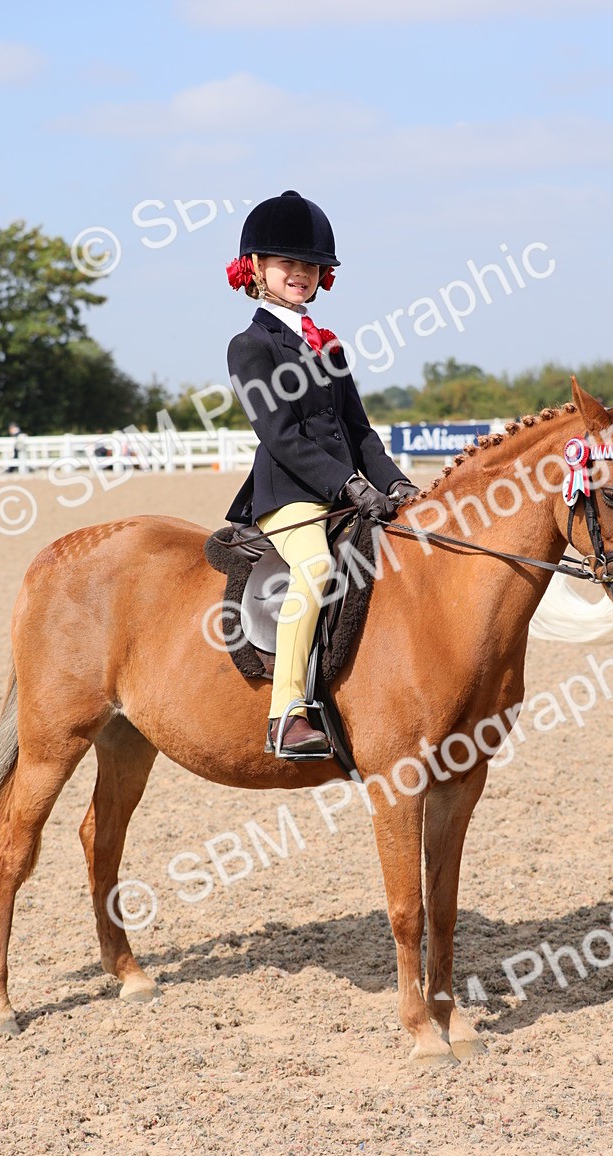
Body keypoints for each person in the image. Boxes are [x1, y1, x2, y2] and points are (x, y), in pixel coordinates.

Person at [224, 189, 418, 757]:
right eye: (288, 263)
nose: (301, 273)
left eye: (310, 265)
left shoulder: (327, 347)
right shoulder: (250, 346)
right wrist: (349, 486)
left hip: (348, 489)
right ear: (256, 268)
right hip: (291, 496)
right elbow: (280, 437)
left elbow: (360, 432)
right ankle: (286, 712)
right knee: (313, 568)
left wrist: (397, 484)